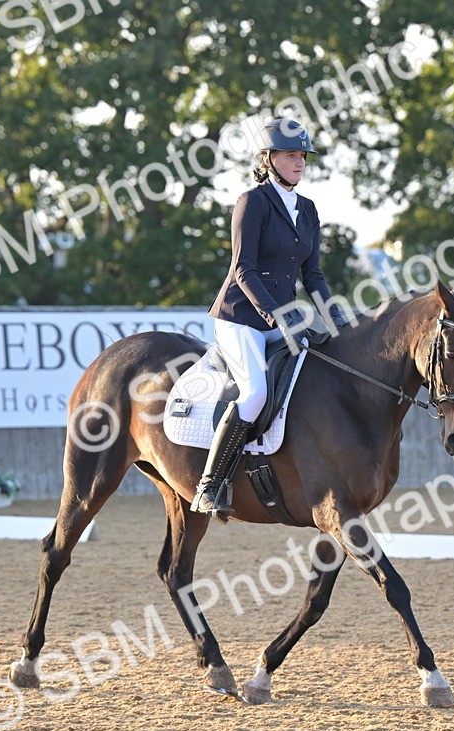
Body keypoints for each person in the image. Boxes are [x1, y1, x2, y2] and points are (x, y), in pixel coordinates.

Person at [190, 118, 349, 517]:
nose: (299, 162)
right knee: (255, 393)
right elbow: (243, 269)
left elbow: (312, 275)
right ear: (269, 158)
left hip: (281, 321)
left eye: (302, 156)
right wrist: (275, 316)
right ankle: (210, 485)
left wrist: (337, 321)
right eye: (291, 155)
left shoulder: (309, 210)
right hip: (240, 319)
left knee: (319, 368)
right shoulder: (253, 202)